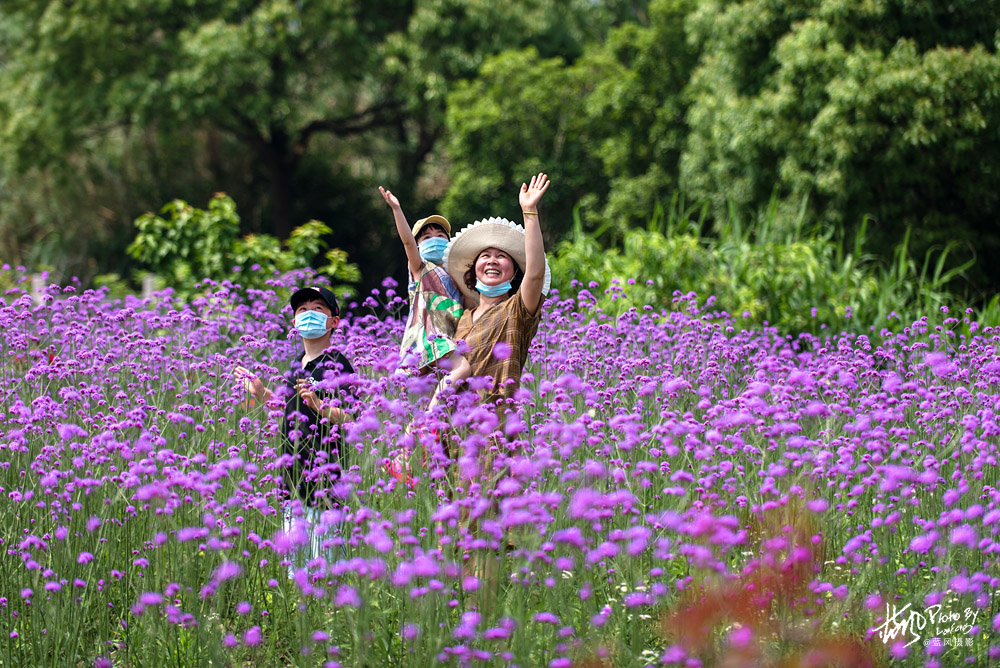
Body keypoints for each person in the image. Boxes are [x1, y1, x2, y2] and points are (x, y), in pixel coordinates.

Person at [234, 285, 355, 563]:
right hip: (293, 481)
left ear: (333, 321)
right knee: (297, 571)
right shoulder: (295, 365)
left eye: (318, 309)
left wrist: (322, 408)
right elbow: (290, 409)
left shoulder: (338, 364)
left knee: (326, 567)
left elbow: (353, 418)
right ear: (293, 323)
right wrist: (262, 394)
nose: (308, 314)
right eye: (302, 310)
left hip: (326, 484)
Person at [443, 172, 551, 408]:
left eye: (501, 256)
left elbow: (535, 274)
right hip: (456, 429)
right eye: (485, 256)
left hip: (497, 430)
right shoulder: (463, 318)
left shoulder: (517, 310)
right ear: (474, 271)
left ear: (514, 274)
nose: (492, 261)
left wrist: (529, 212)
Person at [379, 186, 470, 395]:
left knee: (428, 399)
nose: (435, 239)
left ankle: (419, 425)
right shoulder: (420, 269)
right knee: (462, 369)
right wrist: (396, 209)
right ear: (418, 246)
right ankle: (432, 412)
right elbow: (407, 242)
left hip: (450, 342)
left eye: (440, 235)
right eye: (426, 237)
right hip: (428, 342)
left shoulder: (458, 275)